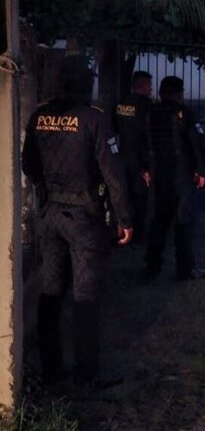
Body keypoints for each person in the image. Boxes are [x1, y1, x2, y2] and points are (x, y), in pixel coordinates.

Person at [22, 54, 134, 388]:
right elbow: (113, 173)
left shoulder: (40, 115)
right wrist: (125, 218)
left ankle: (51, 370)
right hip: (85, 218)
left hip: (50, 215)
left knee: (51, 291)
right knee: (86, 296)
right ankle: (88, 373)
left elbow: (28, 164)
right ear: (86, 82)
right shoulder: (93, 118)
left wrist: (47, 189)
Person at [143, 76, 205, 281]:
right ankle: (185, 269)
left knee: (158, 221)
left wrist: (145, 168)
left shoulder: (150, 112)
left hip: (158, 172)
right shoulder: (186, 113)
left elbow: (142, 142)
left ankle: (152, 266)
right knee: (183, 222)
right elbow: (197, 143)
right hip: (181, 173)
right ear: (179, 93)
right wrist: (201, 171)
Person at [114, 70, 152, 241]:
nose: (151, 90)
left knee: (124, 194)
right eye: (149, 86)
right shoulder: (147, 106)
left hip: (122, 156)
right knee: (140, 198)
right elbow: (148, 136)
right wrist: (147, 166)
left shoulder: (121, 104)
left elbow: (114, 128)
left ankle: (122, 228)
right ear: (143, 86)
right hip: (140, 159)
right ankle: (138, 234)